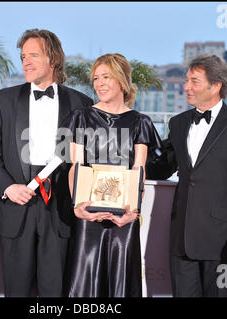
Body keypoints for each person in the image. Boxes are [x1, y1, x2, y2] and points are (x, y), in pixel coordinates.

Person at [0, 29, 93, 297]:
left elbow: (88, 158)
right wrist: (8, 188)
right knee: (16, 289)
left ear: (53, 59)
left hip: (60, 206)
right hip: (16, 204)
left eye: (33, 55)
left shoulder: (82, 104)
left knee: (55, 291)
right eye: (23, 56)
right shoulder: (2, 100)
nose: (26, 62)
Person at [65, 53, 161, 297]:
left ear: (122, 81)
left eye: (106, 77)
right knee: (85, 286)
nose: (99, 83)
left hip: (124, 218)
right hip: (88, 216)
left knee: (121, 285)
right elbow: (76, 165)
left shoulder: (141, 122)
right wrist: (78, 207)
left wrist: (134, 212)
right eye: (96, 78)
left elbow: (139, 169)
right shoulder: (81, 117)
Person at [167, 53, 227, 297]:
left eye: (194, 81)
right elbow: (162, 165)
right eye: (187, 80)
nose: (186, 86)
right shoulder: (177, 123)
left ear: (216, 85)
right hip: (183, 240)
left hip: (223, 243)